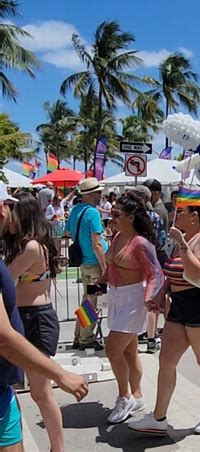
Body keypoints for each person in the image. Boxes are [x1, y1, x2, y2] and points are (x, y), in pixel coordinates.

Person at [129, 200, 200, 436]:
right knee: (167, 360)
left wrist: (182, 243)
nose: (174, 214)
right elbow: (173, 273)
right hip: (180, 306)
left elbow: (197, 271)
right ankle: (159, 417)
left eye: (180, 211)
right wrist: (161, 294)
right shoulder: (182, 239)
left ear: (194, 216)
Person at [2, 193, 64, 451]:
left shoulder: (32, 247)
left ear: (24, 214)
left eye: (11, 211)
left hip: (37, 320)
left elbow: (9, 274)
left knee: (40, 391)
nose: (8, 218)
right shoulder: (23, 244)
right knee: (27, 390)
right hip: (29, 318)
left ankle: (57, 448)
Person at [100, 192, 163, 424]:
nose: (112, 218)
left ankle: (124, 396)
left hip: (134, 299)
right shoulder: (117, 237)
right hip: (116, 297)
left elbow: (155, 273)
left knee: (112, 350)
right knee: (128, 351)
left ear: (131, 217)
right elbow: (111, 265)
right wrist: (99, 282)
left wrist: (149, 298)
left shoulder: (141, 243)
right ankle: (136, 395)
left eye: (116, 214)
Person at [65, 178, 108, 350]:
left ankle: (79, 336)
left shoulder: (76, 210)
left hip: (84, 262)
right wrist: (105, 268)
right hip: (95, 263)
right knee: (92, 303)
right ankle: (86, 338)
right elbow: (97, 243)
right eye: (98, 192)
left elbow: (68, 231)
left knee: (87, 301)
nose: (100, 195)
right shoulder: (92, 213)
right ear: (90, 195)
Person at [134, 185, 167, 354]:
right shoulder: (154, 217)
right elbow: (161, 240)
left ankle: (134, 336)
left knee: (135, 300)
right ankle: (152, 339)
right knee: (152, 303)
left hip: (133, 264)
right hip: (152, 261)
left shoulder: (131, 217)